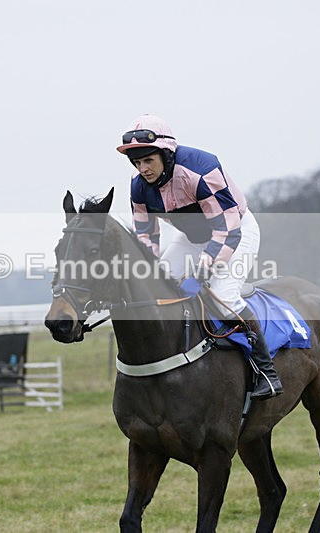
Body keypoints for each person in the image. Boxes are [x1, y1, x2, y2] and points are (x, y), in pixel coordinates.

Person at [116, 114, 283, 399]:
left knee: (224, 295)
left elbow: (227, 231)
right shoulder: (138, 186)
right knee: (161, 285)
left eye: (148, 161)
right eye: (137, 163)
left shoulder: (202, 169)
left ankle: (266, 371)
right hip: (191, 237)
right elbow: (146, 237)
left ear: (166, 154)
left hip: (236, 231)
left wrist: (199, 275)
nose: (142, 169)